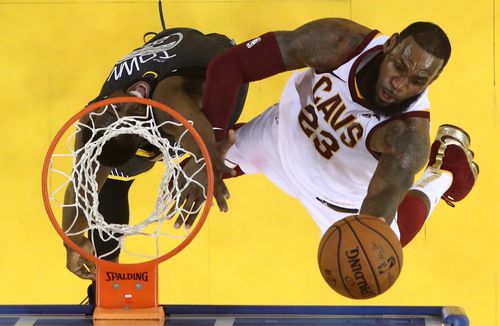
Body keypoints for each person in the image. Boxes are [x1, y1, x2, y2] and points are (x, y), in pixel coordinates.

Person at [200, 18, 479, 244]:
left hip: (337, 204)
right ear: (390, 45)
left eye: (417, 80)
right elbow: (230, 65)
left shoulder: (407, 138)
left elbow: (375, 223)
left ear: (433, 80)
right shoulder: (340, 43)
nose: (399, 84)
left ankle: (443, 174)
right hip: (276, 140)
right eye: (399, 66)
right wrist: (213, 142)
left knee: (387, 247)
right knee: (190, 168)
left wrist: (370, 247)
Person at [62, 27, 248, 283]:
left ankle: (107, 274)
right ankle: (108, 277)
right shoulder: (101, 116)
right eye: (130, 119)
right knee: (108, 172)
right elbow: (79, 187)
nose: (130, 104)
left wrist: (205, 165)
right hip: (188, 50)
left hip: (217, 67)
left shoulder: (164, 100)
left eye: (116, 110)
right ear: (140, 133)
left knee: (122, 169)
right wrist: (71, 243)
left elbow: (205, 146)